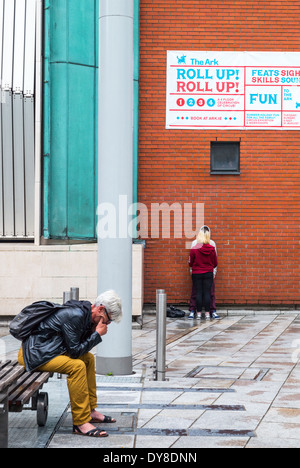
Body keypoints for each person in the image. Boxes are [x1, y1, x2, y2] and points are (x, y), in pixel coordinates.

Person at [18, 290, 122, 438]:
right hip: (34, 354)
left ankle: (90, 410)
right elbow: (74, 352)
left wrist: (93, 332)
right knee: (77, 366)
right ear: (100, 309)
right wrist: (96, 334)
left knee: (88, 359)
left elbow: (78, 347)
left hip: (49, 350)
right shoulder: (76, 315)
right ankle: (80, 423)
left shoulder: (86, 315)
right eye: (107, 319)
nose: (107, 324)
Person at [189, 225, 219, 320]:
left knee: (200, 292)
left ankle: (199, 313)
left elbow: (191, 261)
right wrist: (213, 270)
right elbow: (215, 261)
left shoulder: (195, 245)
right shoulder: (211, 245)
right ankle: (206, 313)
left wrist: (192, 270)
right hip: (208, 272)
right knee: (206, 292)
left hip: (197, 272)